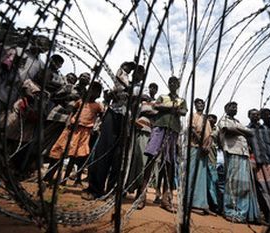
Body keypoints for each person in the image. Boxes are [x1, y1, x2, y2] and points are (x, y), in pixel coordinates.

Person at [82, 62, 138, 200]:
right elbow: (116, 89)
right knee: (103, 150)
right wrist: (113, 94)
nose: (129, 70)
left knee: (118, 156)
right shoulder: (120, 76)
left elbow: (136, 100)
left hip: (125, 120)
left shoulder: (138, 88)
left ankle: (111, 191)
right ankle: (95, 188)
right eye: (128, 67)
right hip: (113, 114)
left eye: (132, 69)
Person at [137, 76, 187, 212]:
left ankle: (166, 199)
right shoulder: (162, 96)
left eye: (175, 82)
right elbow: (156, 105)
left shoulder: (181, 100)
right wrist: (171, 107)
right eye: (170, 82)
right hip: (159, 127)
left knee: (169, 163)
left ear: (178, 85)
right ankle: (141, 195)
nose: (172, 84)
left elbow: (183, 112)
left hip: (173, 131)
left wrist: (172, 109)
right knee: (151, 158)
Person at [43, 82, 104, 187]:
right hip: (71, 129)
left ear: (98, 94)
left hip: (84, 132)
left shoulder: (97, 106)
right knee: (59, 151)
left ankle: (64, 180)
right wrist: (69, 121)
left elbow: (102, 116)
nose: (93, 93)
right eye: (92, 89)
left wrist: (97, 126)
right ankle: (49, 176)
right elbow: (73, 111)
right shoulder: (80, 102)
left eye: (96, 91)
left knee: (73, 156)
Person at [218, 101, 260, 223]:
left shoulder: (237, 122)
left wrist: (239, 130)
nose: (235, 108)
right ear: (226, 108)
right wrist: (243, 132)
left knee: (244, 183)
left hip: (243, 153)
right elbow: (228, 130)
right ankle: (230, 210)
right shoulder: (224, 119)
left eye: (236, 107)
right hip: (233, 152)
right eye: (232, 106)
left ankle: (243, 212)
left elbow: (251, 133)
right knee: (233, 182)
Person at [187, 98, 212, 214]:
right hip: (195, 147)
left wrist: (208, 146)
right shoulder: (193, 116)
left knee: (201, 178)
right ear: (195, 105)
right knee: (193, 174)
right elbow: (192, 130)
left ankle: (201, 204)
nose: (200, 105)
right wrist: (201, 144)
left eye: (202, 103)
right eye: (198, 103)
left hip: (204, 150)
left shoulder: (206, 119)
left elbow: (210, 135)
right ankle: (190, 203)